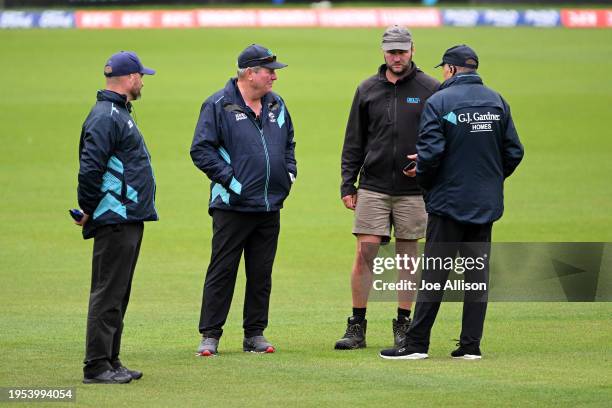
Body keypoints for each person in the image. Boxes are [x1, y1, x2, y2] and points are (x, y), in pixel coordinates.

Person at [379, 44, 524, 360]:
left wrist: (427, 183)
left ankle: (416, 345)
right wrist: (489, 180)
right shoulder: (497, 101)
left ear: (452, 69)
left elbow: (430, 155)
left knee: (434, 273)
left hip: (448, 203)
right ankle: (470, 347)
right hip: (484, 204)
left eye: (444, 68)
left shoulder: (440, 100)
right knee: (476, 276)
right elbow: (514, 152)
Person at [336, 25, 440, 350]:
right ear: (383, 51)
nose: (397, 57)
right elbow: (354, 140)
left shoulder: (430, 88)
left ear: (412, 50)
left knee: (407, 259)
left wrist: (426, 163)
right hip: (373, 186)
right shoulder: (367, 88)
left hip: (414, 189)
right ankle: (357, 326)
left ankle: (403, 326)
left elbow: (441, 140)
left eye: (403, 51)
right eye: (392, 51)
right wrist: (347, 183)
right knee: (365, 253)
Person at [191, 44, 296, 356]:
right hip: (232, 205)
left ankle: (255, 334)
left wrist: (289, 173)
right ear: (250, 74)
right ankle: (210, 335)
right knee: (222, 271)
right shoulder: (218, 105)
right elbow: (201, 150)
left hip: (269, 204)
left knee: (261, 273)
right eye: (269, 71)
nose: (274, 77)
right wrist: (230, 180)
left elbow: (289, 142)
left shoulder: (277, 105)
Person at [77, 51, 157, 383]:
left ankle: (111, 360)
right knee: (108, 293)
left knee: (118, 293)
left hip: (127, 215)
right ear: (128, 79)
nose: (142, 81)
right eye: (140, 76)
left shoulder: (117, 112)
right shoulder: (106, 115)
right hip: (115, 216)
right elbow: (91, 167)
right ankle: (96, 366)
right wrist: (88, 208)